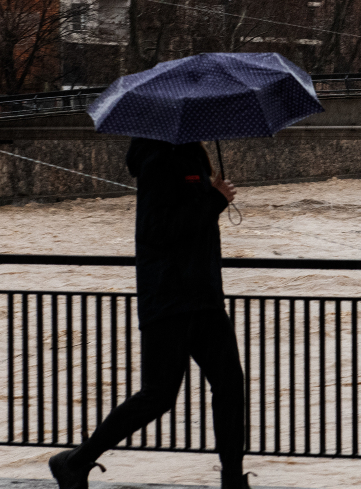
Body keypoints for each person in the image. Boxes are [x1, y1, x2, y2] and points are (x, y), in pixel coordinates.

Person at [50, 138, 248, 489]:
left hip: (202, 296)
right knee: (158, 396)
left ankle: (232, 479)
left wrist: (210, 196)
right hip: (169, 298)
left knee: (230, 385)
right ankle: (75, 461)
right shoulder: (157, 161)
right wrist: (215, 200)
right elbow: (159, 230)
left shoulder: (189, 155)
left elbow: (189, 219)